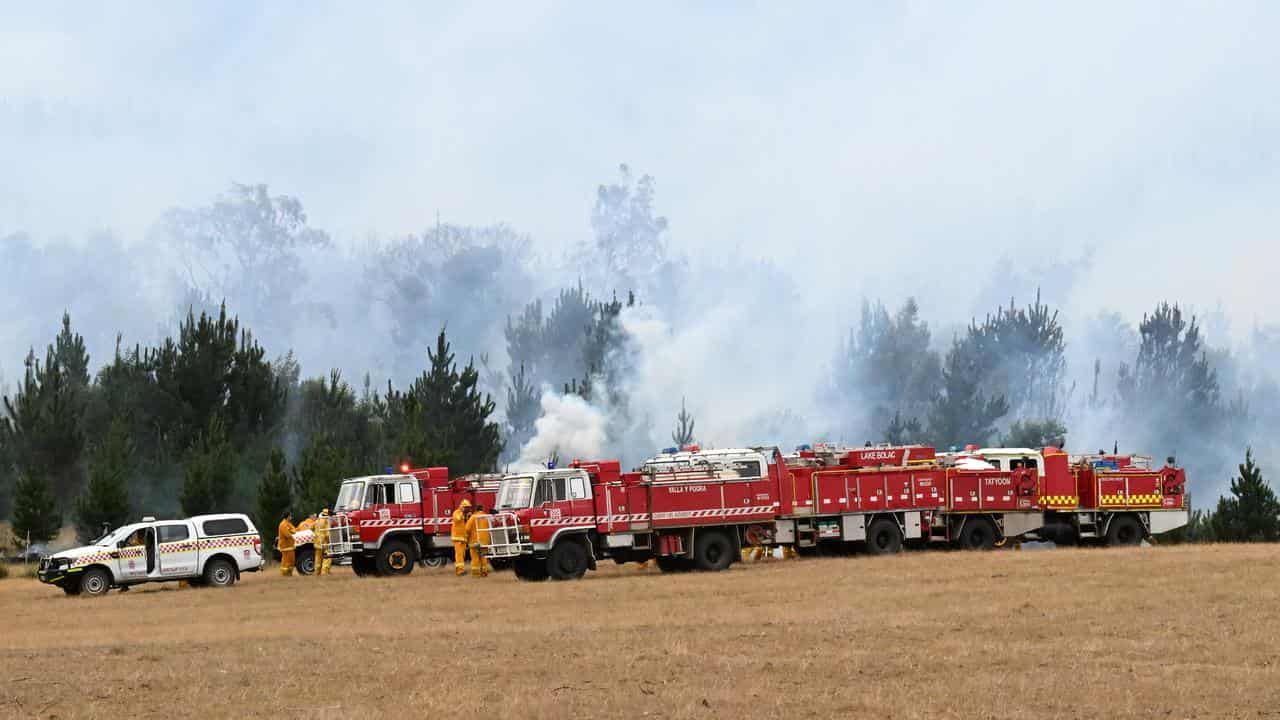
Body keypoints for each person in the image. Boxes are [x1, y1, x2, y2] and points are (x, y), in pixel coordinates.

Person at [465, 504, 491, 577]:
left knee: (475, 558)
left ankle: (476, 574)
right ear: (482, 509)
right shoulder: (486, 517)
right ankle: (484, 572)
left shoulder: (473, 517)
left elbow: (467, 529)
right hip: (485, 541)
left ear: (475, 510)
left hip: (475, 541)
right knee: (483, 557)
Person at [451, 499, 472, 576]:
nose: (468, 509)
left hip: (463, 538)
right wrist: (463, 513)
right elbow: (457, 519)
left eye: (468, 507)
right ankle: (460, 571)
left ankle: (460, 570)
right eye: (466, 507)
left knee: (462, 555)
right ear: (462, 507)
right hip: (457, 538)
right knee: (459, 555)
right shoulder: (457, 512)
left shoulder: (466, 515)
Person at [277, 511, 296, 577]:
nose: (291, 517)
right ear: (288, 516)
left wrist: (292, 530)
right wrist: (291, 531)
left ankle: (290, 574)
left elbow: (294, 529)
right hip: (285, 546)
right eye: (290, 516)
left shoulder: (288, 523)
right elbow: (287, 535)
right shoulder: (283, 524)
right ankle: (285, 574)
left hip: (290, 545)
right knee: (286, 562)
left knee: (292, 561)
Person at [314, 509, 332, 576]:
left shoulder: (317, 520)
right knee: (327, 557)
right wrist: (330, 540)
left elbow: (312, 528)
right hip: (324, 543)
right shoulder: (326, 521)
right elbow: (327, 534)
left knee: (318, 558)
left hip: (317, 543)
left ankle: (317, 572)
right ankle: (325, 572)